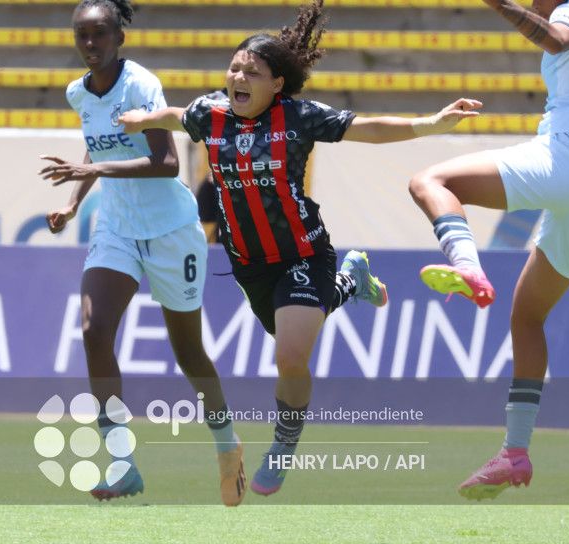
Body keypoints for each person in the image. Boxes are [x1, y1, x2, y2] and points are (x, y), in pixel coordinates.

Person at [119, 0, 479, 496]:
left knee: (290, 358)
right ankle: (353, 281)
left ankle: (284, 444)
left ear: (277, 84)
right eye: (234, 68)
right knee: (289, 337)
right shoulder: (212, 114)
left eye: (253, 71)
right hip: (249, 265)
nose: (238, 77)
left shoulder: (300, 117)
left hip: (304, 253)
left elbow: (367, 128)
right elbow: (177, 115)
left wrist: (430, 124)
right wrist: (141, 120)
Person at [41, 0, 247, 506]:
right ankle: (121, 462)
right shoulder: (78, 92)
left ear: (120, 38)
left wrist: (93, 172)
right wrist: (72, 204)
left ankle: (227, 444)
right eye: (82, 36)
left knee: (189, 354)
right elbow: (98, 145)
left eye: (99, 35)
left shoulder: (141, 85)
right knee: (94, 331)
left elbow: (165, 161)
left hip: (172, 231)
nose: (90, 45)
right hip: (116, 228)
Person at [409, 0, 569, 501]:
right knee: (527, 316)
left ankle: (468, 267)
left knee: (429, 180)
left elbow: (559, 39)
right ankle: (515, 451)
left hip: (565, 157)